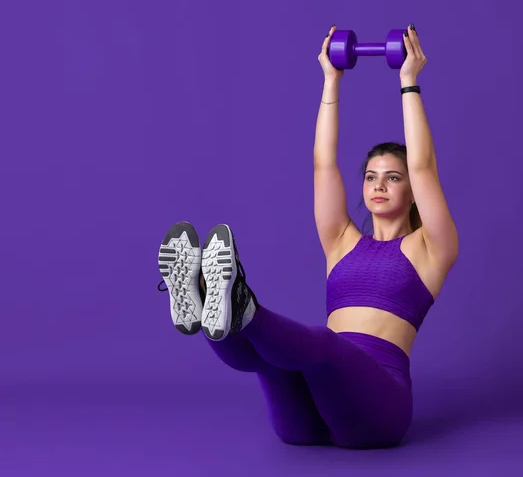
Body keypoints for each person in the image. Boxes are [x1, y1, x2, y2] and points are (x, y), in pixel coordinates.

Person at [156, 24, 459, 449]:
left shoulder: (432, 248)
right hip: (307, 420)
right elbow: (323, 165)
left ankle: (237, 301)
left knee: (322, 343)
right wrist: (330, 81)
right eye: (371, 177)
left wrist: (408, 82)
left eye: (393, 178)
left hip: (378, 412)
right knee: (271, 360)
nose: (378, 185)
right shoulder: (341, 240)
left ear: (412, 193)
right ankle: (205, 301)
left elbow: (425, 166)